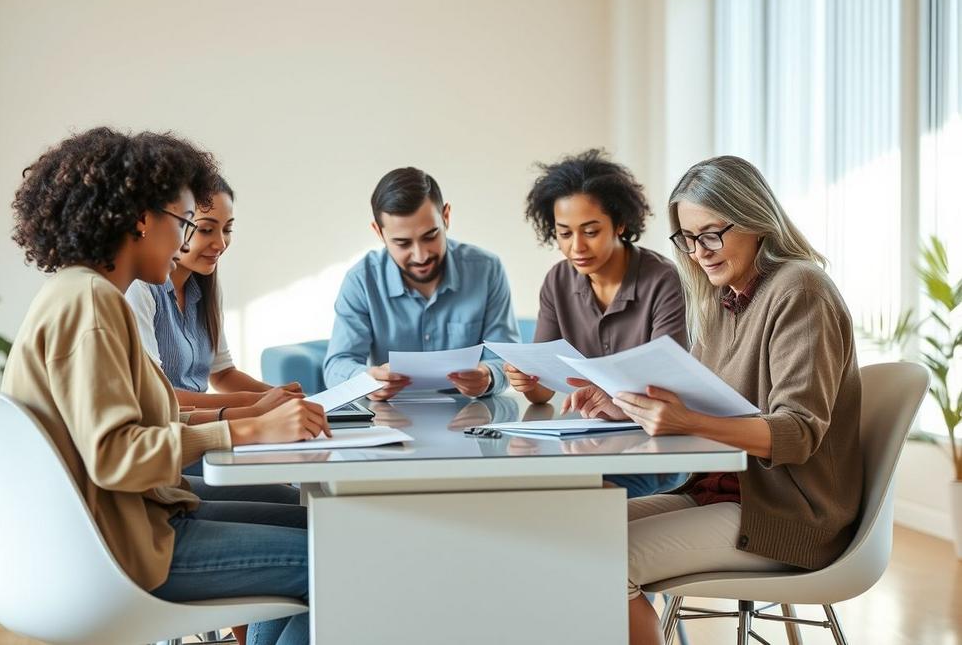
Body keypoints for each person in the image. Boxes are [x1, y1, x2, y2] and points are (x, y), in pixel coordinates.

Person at [2, 127, 330, 645]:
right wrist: (240, 432)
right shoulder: (93, 304)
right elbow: (117, 454)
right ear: (141, 219)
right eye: (183, 223)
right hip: (130, 548)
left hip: (127, 528)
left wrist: (252, 421)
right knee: (346, 558)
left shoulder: (81, 291)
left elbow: (147, 421)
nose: (184, 242)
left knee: (323, 526)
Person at [564, 155, 863, 644]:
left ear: (754, 220)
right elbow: (701, 402)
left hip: (788, 515)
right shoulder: (723, 300)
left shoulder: (800, 289)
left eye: (711, 234)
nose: (699, 251)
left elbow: (798, 432)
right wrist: (630, 407)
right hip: (722, 494)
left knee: (604, 557)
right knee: (567, 531)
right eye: (687, 238)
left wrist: (686, 419)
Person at [507, 149, 688, 497]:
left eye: (590, 231)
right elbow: (542, 392)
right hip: (588, 448)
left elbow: (668, 390)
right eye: (564, 233)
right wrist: (526, 378)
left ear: (620, 224)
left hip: (650, 452)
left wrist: (614, 399)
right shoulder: (557, 281)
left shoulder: (662, 279)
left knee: (574, 501)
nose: (577, 247)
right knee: (524, 493)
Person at [124, 176, 301, 504]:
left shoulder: (204, 285)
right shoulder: (140, 290)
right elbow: (160, 399)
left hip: (203, 430)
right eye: (206, 229)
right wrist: (254, 405)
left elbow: (223, 374)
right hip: (178, 440)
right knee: (288, 499)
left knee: (295, 490)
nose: (220, 243)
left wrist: (286, 399)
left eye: (227, 229)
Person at [324, 166, 519, 400]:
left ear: (446, 216)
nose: (421, 255)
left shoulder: (487, 269)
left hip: (474, 416)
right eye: (402, 243)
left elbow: (507, 359)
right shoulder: (362, 280)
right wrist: (368, 380)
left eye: (430, 236)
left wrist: (488, 375)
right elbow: (337, 365)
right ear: (379, 232)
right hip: (391, 419)